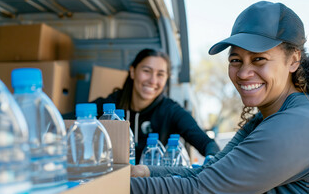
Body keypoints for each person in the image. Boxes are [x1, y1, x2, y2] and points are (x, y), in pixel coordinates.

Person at [129, 1, 309, 194]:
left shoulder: (300, 124)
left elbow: (198, 193)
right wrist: (145, 171)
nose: (243, 72)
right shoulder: (265, 120)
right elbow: (207, 173)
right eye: (235, 60)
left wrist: (106, 191)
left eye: (259, 59)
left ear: (293, 60)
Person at [91, 48, 220, 162]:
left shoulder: (171, 111)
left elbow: (206, 143)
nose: (153, 81)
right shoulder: (110, 106)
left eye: (160, 74)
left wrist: (212, 158)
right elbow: (75, 119)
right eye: (147, 71)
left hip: (153, 186)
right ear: (132, 71)